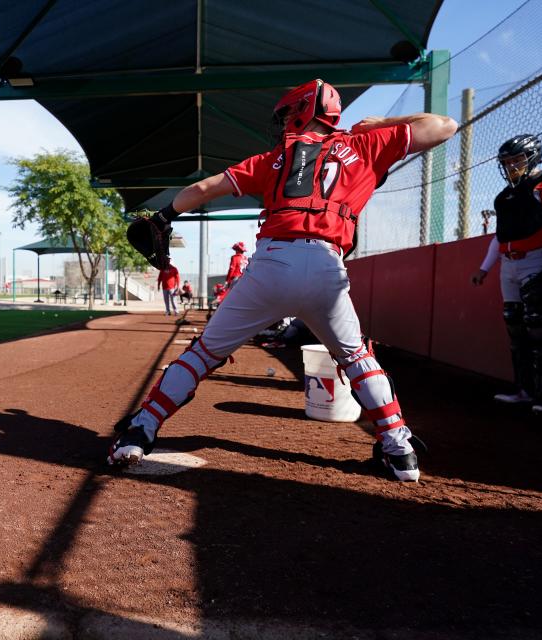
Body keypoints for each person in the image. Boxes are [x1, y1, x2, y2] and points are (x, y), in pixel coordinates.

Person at [108, 78, 458, 482]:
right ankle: (400, 452)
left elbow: (205, 188)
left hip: (273, 262)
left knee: (203, 354)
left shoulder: (274, 157)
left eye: (290, 113)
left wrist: (165, 216)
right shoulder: (365, 145)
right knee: (357, 359)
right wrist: (381, 123)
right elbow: (445, 125)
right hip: (328, 266)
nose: (286, 122)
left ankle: (141, 429)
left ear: (306, 110)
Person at [470, 133, 542, 414]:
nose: (511, 166)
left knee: (540, 326)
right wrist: (484, 268)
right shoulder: (505, 196)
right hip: (509, 263)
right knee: (515, 327)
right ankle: (524, 390)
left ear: (532, 157)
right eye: (506, 162)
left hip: (538, 259)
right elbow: (501, 237)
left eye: (516, 160)